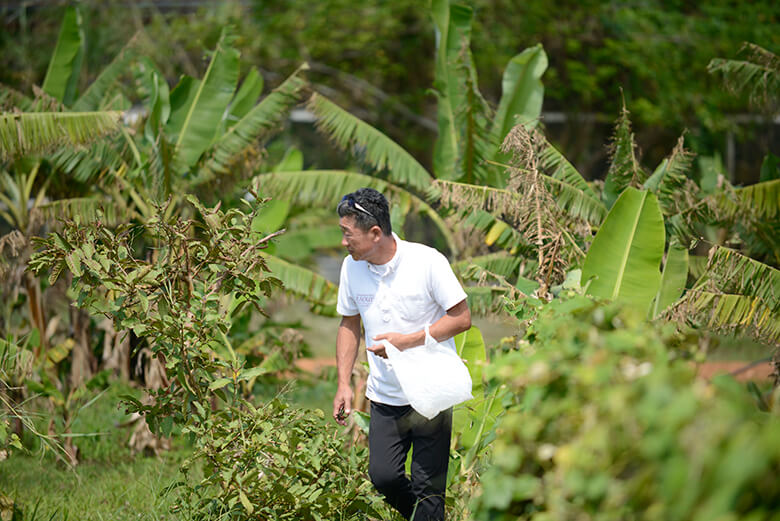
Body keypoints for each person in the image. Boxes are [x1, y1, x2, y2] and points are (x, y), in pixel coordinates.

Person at [332, 188, 471, 521]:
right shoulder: (352, 268)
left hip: (430, 394)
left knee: (428, 489)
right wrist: (343, 384)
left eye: (347, 234)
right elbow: (349, 324)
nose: (343, 242)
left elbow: (461, 317)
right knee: (384, 477)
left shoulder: (427, 262)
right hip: (385, 396)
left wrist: (405, 342)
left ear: (375, 233)